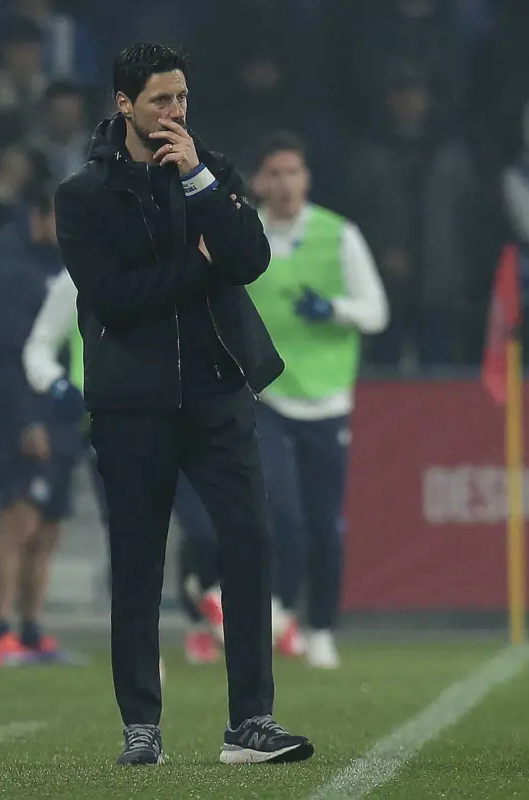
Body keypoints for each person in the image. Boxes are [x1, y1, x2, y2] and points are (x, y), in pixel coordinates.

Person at [53, 41, 312, 766]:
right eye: (160, 99)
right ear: (124, 104)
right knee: (138, 565)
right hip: (131, 404)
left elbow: (250, 260)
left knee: (249, 544)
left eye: (183, 98)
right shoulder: (82, 196)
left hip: (217, 391)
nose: (175, 112)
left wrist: (198, 179)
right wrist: (198, 266)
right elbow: (115, 300)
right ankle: (142, 726)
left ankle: (251, 722)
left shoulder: (210, 171)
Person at [23, 268, 229, 666]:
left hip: (179, 421)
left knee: (208, 528)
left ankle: (203, 594)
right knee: (133, 544)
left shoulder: (176, 266)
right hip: (110, 425)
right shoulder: (79, 276)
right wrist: (56, 384)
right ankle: (142, 650)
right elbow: (38, 347)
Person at [247, 132, 389, 669]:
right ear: (259, 181)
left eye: (293, 172)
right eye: (275, 173)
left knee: (325, 525)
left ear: (307, 179)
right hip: (266, 394)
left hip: (327, 400)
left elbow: (376, 311)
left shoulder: (339, 234)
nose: (285, 184)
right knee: (280, 511)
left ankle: (322, 626)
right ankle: (278, 607)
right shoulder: (243, 233)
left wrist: (334, 309)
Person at [0, 188, 81, 666]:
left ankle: (32, 630)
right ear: (39, 218)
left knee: (50, 527)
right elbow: (4, 356)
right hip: (24, 417)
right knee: (20, 519)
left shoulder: (69, 269)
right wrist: (26, 420)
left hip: (64, 416)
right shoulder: (12, 273)